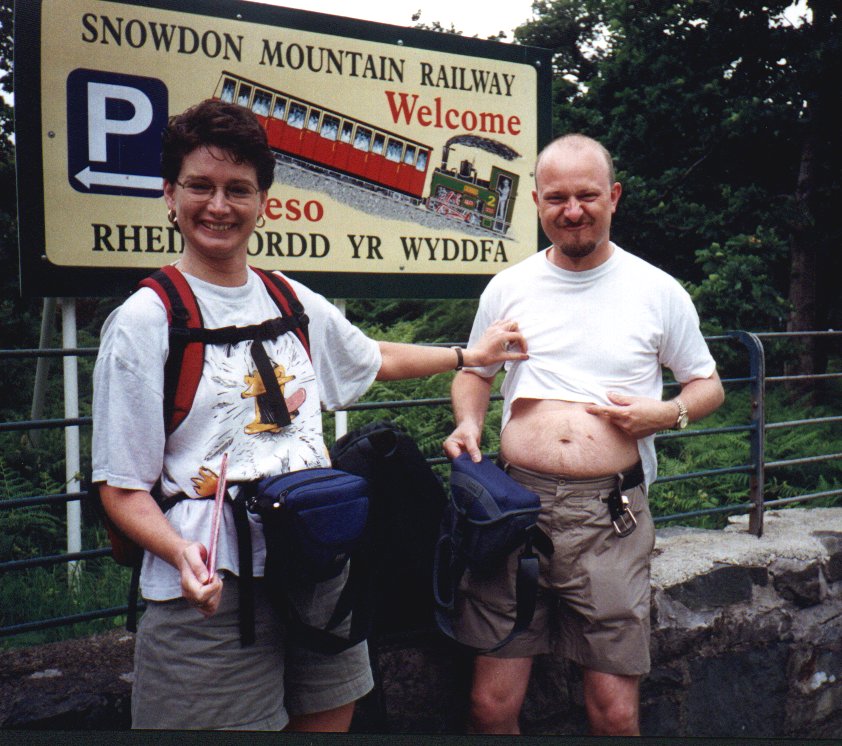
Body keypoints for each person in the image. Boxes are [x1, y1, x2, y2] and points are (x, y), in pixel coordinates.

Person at [91, 98, 527, 732]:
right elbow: (122, 488)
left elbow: (368, 357)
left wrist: (468, 353)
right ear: (169, 194)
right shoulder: (146, 321)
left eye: (238, 189)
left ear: (264, 201)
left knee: (329, 719)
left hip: (319, 561)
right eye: (200, 187)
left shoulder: (288, 296)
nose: (219, 206)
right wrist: (180, 553)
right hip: (215, 582)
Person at [443, 133, 725, 736]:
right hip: (514, 511)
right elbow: (475, 369)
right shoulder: (508, 286)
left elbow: (707, 385)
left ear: (614, 196)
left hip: (610, 517)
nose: (572, 211)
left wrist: (665, 414)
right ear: (537, 204)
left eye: (587, 196)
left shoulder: (658, 290)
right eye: (557, 198)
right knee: (489, 709)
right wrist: (468, 422)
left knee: (614, 713)